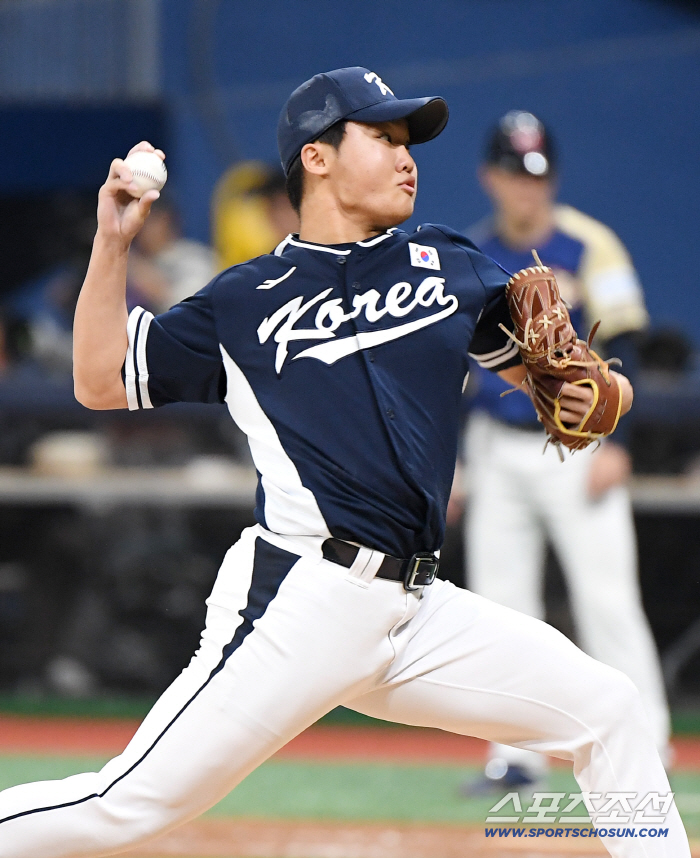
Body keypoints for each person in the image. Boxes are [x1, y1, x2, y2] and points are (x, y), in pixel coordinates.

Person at [0, 68, 687, 858]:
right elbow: (97, 377)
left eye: (410, 141)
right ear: (317, 158)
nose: (408, 157)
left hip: (418, 611)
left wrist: (603, 396)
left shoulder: (448, 264)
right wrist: (113, 242)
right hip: (300, 601)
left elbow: (573, 384)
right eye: (384, 137)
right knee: (128, 805)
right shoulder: (245, 301)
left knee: (611, 710)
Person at [459, 110, 671, 793]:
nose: (531, 188)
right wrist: (456, 458)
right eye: (518, 174)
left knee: (607, 601)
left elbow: (631, 345)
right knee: (502, 607)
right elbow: (457, 370)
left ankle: (649, 749)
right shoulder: (473, 252)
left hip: (581, 451)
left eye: (540, 173)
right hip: (496, 447)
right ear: (490, 177)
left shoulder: (590, 245)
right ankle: (516, 758)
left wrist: (623, 445)